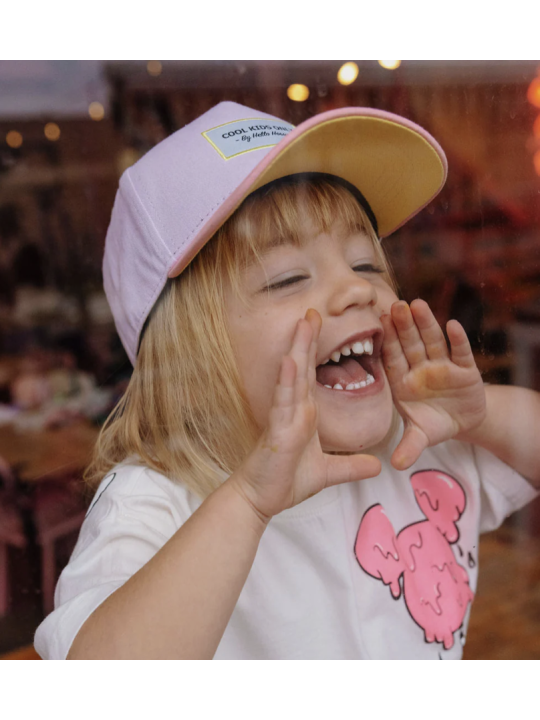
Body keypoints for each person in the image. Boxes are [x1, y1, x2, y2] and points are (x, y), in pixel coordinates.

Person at [34, 101, 539, 660]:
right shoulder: (154, 502)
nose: (357, 289)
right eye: (288, 278)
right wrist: (248, 502)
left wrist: (480, 417)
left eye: (366, 264)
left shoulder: (412, 441)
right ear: (189, 362)